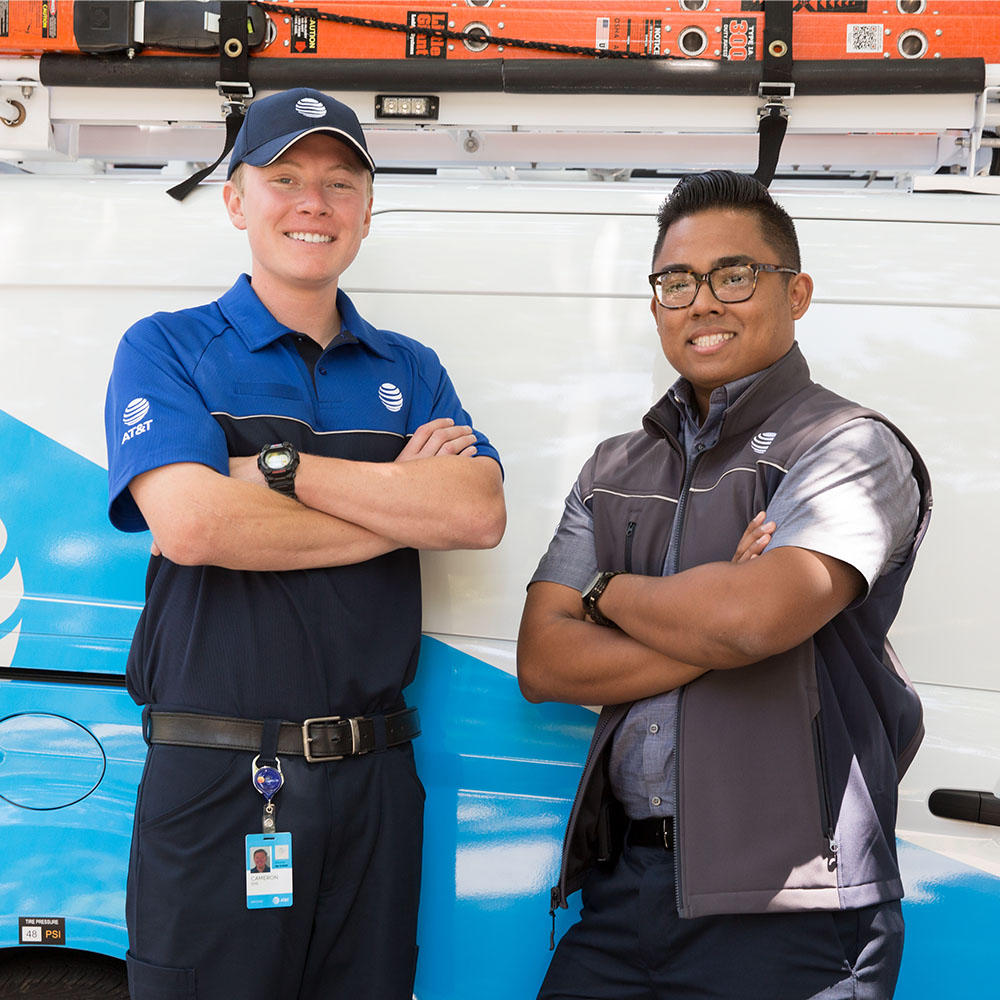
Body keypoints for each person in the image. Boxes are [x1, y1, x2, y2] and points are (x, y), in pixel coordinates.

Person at [104, 87, 505, 1000]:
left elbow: (476, 515)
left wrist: (272, 470)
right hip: (220, 779)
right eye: (284, 178)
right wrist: (394, 510)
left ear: (367, 208)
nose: (313, 203)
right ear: (236, 201)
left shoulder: (410, 367)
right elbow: (193, 526)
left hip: (376, 783)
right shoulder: (166, 348)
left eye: (339, 183)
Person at [517, 170, 930, 1000]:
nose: (702, 302)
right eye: (677, 281)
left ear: (796, 292)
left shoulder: (848, 446)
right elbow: (544, 661)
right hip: (626, 894)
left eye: (733, 275)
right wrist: (708, 624)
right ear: (656, 306)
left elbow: (752, 620)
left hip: (794, 906)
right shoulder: (614, 467)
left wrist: (603, 594)